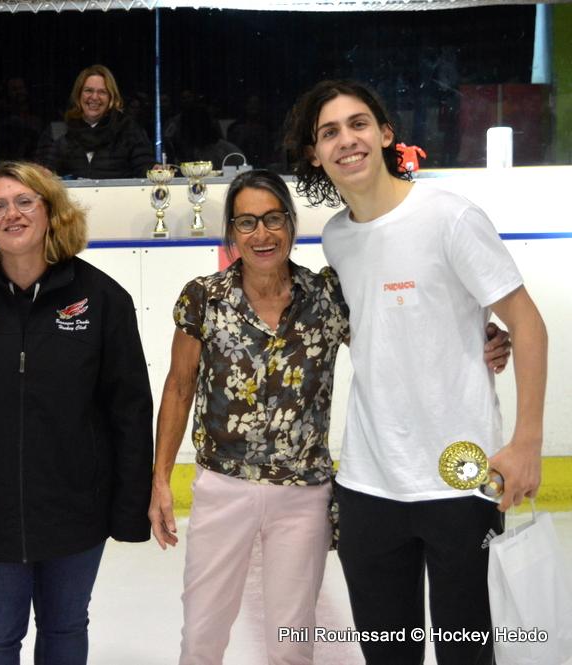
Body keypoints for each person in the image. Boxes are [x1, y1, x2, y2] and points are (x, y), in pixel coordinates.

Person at [148, 169, 513, 665]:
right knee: (203, 634)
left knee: (292, 641)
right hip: (223, 486)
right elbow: (179, 384)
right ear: (232, 231)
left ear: (292, 225)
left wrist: (481, 334)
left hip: (304, 496)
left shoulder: (326, 297)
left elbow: (398, 329)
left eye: (274, 219)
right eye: (247, 222)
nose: (262, 234)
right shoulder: (204, 297)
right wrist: (161, 479)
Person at [285, 79, 548, 665]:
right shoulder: (337, 239)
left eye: (358, 124)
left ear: (384, 134)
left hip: (459, 479)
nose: (345, 140)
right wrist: (472, 331)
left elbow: (528, 326)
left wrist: (526, 441)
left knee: (465, 655)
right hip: (368, 484)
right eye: (328, 132)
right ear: (314, 153)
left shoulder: (449, 216)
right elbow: (386, 322)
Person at [0, 160, 153, 665]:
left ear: (51, 212)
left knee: (65, 628)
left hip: (76, 505)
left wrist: (131, 506)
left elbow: (129, 409)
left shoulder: (102, 299)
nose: (10, 214)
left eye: (24, 202)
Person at [35, 64, 155, 179]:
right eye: (88, 90)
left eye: (102, 92)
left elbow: (145, 168)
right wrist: (43, 173)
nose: (94, 97)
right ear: (78, 94)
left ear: (111, 98)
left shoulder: (128, 130)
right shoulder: (58, 131)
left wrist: (155, 171)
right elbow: (45, 170)